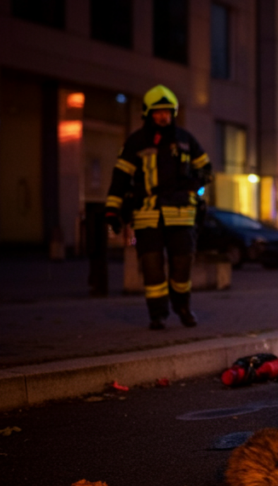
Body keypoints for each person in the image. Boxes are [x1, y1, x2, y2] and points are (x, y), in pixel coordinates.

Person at [104, 85, 212, 330]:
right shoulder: (136, 142)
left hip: (182, 214)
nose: (163, 117)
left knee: (182, 266)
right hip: (147, 215)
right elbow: (120, 179)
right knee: (152, 268)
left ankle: (183, 307)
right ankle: (158, 315)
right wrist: (112, 210)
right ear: (147, 113)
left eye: (167, 112)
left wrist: (194, 188)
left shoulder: (185, 139)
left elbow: (206, 170)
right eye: (158, 112)